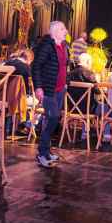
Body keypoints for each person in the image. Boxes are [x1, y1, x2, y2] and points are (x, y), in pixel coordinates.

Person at [32, 21, 70, 168]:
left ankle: (46, 151)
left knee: (53, 119)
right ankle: (42, 153)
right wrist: (38, 87)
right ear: (54, 32)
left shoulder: (64, 46)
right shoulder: (47, 45)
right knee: (53, 118)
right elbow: (36, 66)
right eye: (62, 29)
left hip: (60, 89)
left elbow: (64, 66)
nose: (65, 31)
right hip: (48, 89)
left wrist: (66, 83)